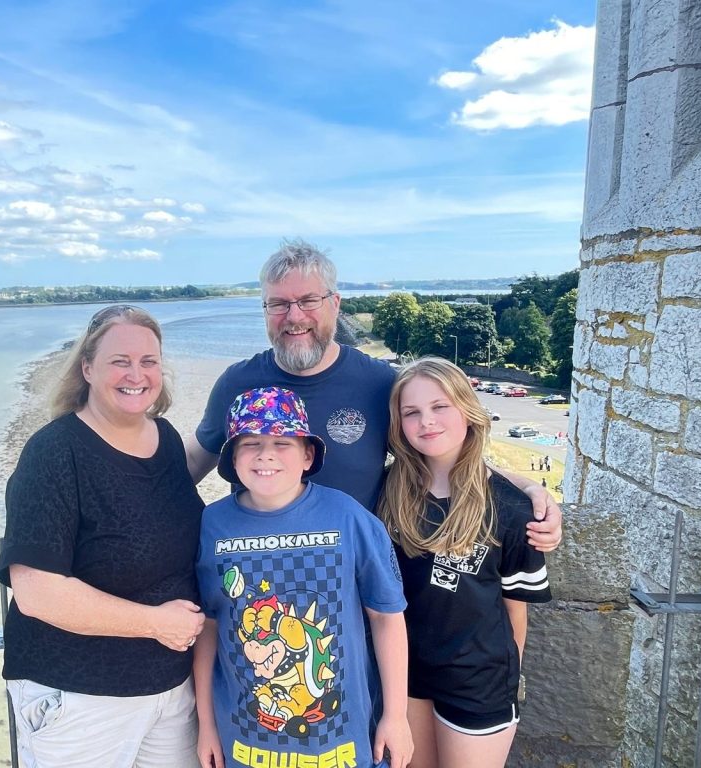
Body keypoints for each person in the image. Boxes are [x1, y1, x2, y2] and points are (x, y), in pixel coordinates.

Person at [186, 239, 563, 552]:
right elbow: (192, 463)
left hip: (353, 581)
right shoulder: (237, 383)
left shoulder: (381, 384)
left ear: (335, 304)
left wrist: (529, 488)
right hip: (258, 575)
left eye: (308, 301)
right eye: (279, 304)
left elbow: (447, 461)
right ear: (265, 310)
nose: (294, 316)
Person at [0, 305, 206, 768]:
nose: (137, 373)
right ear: (87, 368)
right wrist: (156, 623)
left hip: (171, 692)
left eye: (149, 361)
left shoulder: (166, 440)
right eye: (120, 361)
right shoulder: (53, 453)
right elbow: (38, 594)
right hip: (80, 699)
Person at [194, 386, 412, 768]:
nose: (265, 454)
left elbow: (386, 617)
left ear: (308, 454)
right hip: (245, 744)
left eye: (282, 442)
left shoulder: (349, 518)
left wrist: (396, 717)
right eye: (250, 443)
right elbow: (209, 627)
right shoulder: (212, 525)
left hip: (342, 744)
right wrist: (206, 725)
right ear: (231, 457)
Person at [378, 357, 552, 768]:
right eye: (412, 412)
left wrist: (509, 681)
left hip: (479, 680)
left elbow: (515, 609)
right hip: (406, 674)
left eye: (441, 406)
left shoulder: (510, 508)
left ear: (467, 411)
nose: (427, 421)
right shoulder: (386, 491)